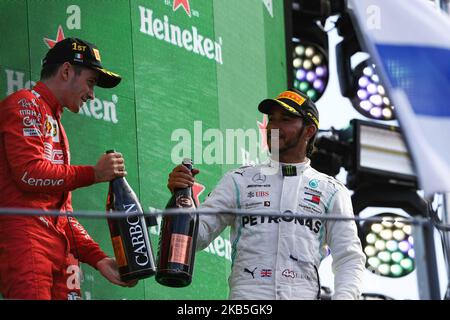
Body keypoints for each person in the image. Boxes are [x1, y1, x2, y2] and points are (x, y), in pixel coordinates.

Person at [167, 89, 366, 300]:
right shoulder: (239, 180)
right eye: (272, 119)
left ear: (309, 131)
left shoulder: (332, 191)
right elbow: (196, 238)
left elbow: (349, 258)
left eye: (286, 119)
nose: (274, 126)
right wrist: (181, 200)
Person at [0, 37, 137, 300]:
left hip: (60, 248)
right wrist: (93, 174)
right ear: (65, 71)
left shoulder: (57, 124)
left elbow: (65, 214)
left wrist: (98, 259)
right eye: (90, 82)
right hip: (26, 239)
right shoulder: (25, 103)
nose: (92, 94)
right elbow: (29, 173)